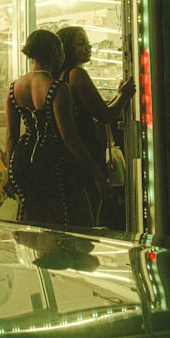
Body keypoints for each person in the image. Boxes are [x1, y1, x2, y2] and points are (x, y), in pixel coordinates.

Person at [5, 29, 108, 227]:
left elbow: (11, 135)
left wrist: (9, 172)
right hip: (55, 164)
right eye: (61, 50)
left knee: (31, 224)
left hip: (24, 160)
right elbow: (69, 137)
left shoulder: (14, 88)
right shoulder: (58, 88)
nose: (63, 56)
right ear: (53, 52)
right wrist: (96, 173)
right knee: (78, 223)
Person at [56, 26, 136, 228]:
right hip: (87, 155)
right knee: (90, 217)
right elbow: (105, 115)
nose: (88, 47)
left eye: (87, 43)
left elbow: (93, 110)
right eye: (81, 43)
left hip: (68, 157)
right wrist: (124, 95)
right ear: (66, 48)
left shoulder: (60, 77)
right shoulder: (77, 75)